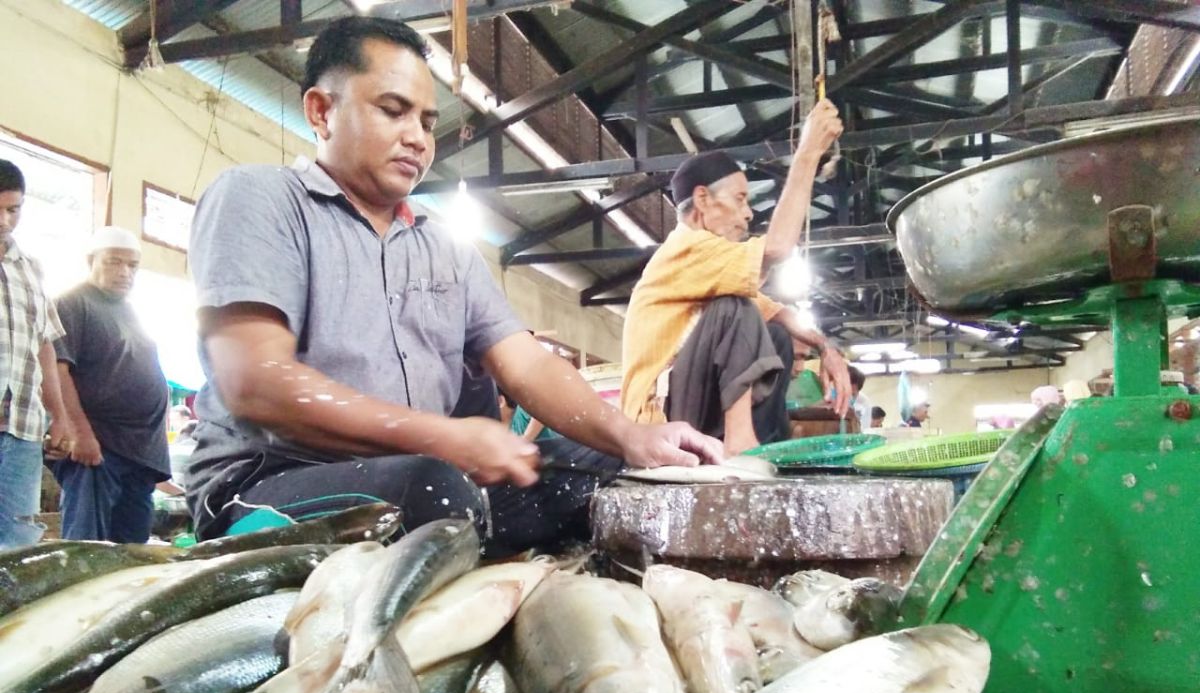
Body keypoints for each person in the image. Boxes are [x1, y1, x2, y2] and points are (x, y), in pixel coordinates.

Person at [183, 17, 723, 554]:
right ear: (322, 111)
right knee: (434, 492)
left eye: (426, 120)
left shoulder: (447, 250)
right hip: (261, 484)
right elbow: (255, 383)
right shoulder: (260, 199)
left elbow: (527, 364)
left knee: (616, 473)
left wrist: (632, 436)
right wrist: (443, 437)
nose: (417, 138)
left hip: (419, 468)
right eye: (392, 111)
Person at [620, 104, 850, 455]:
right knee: (735, 305)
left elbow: (782, 315)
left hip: (686, 404)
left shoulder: (710, 266)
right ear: (703, 199)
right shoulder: (686, 247)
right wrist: (808, 153)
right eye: (740, 199)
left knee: (775, 331)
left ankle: (764, 440)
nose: (748, 212)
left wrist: (826, 348)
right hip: (656, 416)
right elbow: (777, 248)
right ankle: (740, 441)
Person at [50, 226, 172, 543]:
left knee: (132, 547)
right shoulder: (72, 304)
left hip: (139, 451)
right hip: (99, 446)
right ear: (92, 260)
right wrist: (79, 433)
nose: (124, 272)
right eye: (113, 262)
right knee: (88, 544)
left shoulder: (128, 310)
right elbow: (58, 370)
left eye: (132, 266)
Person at [0, 160, 74, 549]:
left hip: (23, 427)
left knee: (18, 542)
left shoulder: (31, 270)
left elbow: (44, 345)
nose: (4, 221)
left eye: (13, 210)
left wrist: (60, 416)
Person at [848, 366, 871, 431]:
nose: (848, 398)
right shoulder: (830, 398)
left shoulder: (864, 402)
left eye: (852, 394)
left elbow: (865, 427)